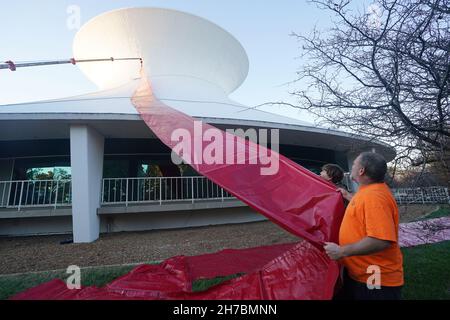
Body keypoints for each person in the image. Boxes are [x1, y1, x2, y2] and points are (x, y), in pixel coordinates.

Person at [323, 152, 404, 300]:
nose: (351, 167)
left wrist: (341, 251)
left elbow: (380, 240)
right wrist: (348, 196)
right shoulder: (368, 190)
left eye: (354, 164)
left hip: (375, 279)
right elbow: (365, 207)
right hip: (361, 274)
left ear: (361, 171)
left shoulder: (374, 197)